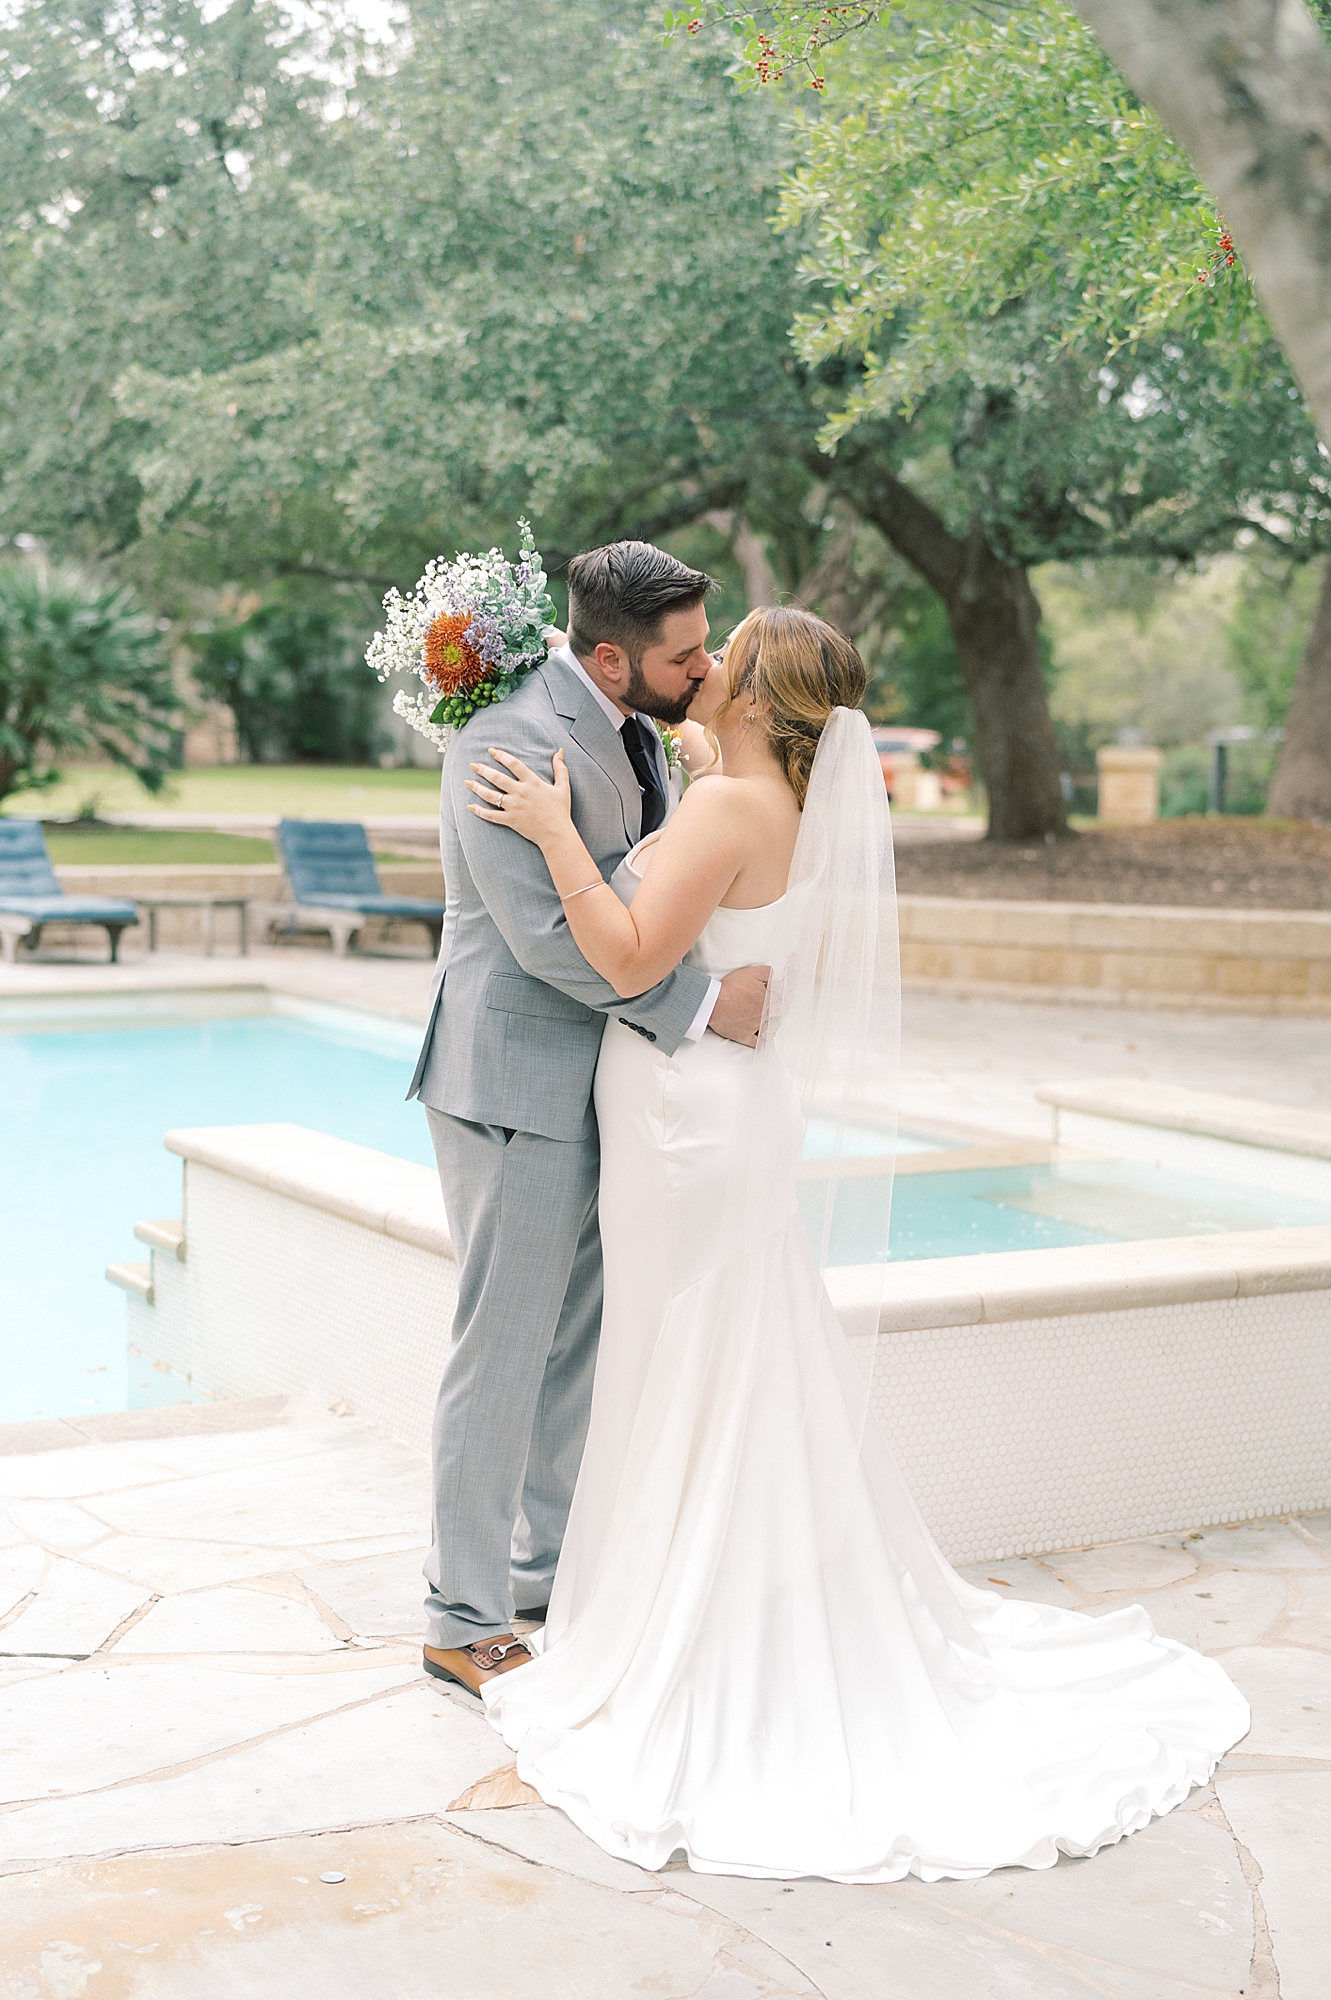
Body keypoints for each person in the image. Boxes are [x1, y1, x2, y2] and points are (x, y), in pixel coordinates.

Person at [461, 602, 1250, 1884]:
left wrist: (554, 831)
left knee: (686, 1358)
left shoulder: (725, 809)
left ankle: (691, 1627)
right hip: (729, 1111)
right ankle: (723, 1600)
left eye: (725, 656)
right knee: (719, 1351)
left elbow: (618, 951)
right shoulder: (771, 800)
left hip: (684, 1122)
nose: (701, 668)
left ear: (762, 697)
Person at [406, 541, 769, 1697]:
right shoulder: (507, 742)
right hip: (512, 1083)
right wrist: (706, 1005)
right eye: (683, 654)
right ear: (608, 654)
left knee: (574, 1346)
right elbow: (550, 941)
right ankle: (459, 1616)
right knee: (501, 1350)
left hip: (596, 1088)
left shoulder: (635, 719)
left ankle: (547, 1568)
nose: (701, 667)